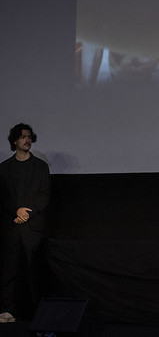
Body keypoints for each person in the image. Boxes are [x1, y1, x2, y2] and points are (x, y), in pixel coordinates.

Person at [0, 123, 51, 324]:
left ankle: (38, 312)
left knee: (34, 268)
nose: (27, 140)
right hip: (12, 224)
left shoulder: (40, 167)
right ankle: (7, 310)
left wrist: (27, 213)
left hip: (33, 225)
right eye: (22, 137)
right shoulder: (4, 168)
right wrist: (17, 210)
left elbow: (44, 196)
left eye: (29, 137)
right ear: (14, 141)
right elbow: (3, 196)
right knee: (9, 269)